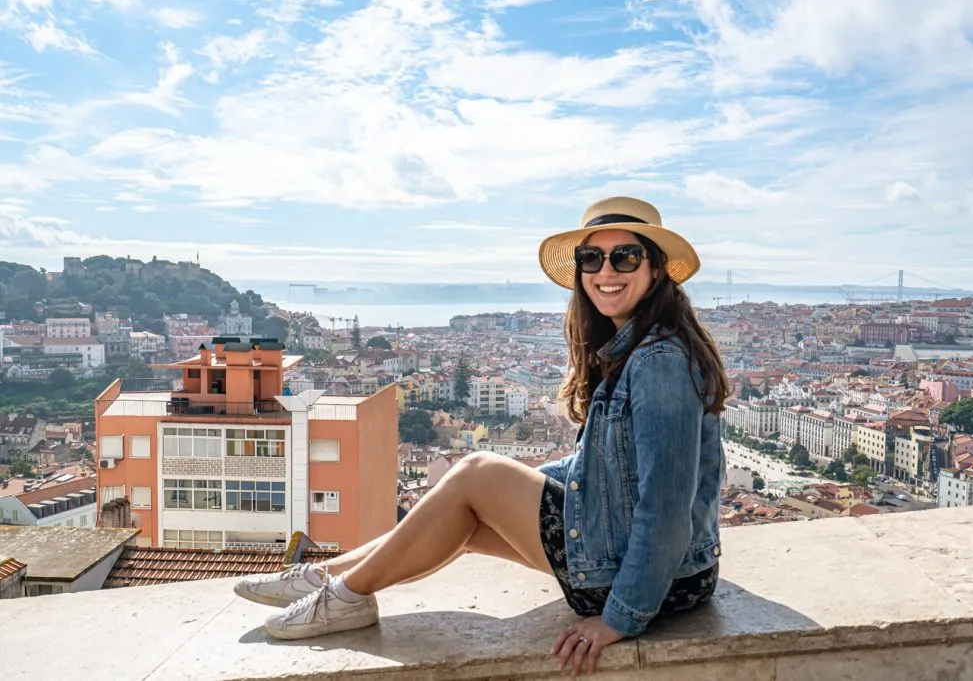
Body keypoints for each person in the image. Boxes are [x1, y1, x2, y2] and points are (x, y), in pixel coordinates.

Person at [233, 196, 729, 676]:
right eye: (591, 257)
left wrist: (621, 617)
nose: (606, 271)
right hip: (637, 556)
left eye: (625, 256)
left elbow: (665, 504)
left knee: (474, 472)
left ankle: (342, 598)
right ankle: (328, 578)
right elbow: (602, 469)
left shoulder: (659, 362)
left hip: (660, 585)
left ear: (657, 268)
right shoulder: (633, 347)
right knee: (464, 511)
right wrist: (519, 490)